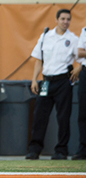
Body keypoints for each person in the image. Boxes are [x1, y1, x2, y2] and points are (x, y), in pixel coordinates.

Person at [26, 9, 78, 160]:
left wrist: (78, 68)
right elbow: (39, 59)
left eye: (68, 19)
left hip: (63, 81)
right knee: (39, 116)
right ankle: (34, 149)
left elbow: (81, 57)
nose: (65, 22)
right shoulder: (46, 36)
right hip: (47, 81)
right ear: (56, 19)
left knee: (63, 117)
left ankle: (61, 150)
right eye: (62, 19)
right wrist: (34, 79)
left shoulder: (73, 39)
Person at [72, 26, 86, 160]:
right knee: (83, 112)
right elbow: (80, 53)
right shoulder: (85, 30)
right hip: (85, 72)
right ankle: (83, 148)